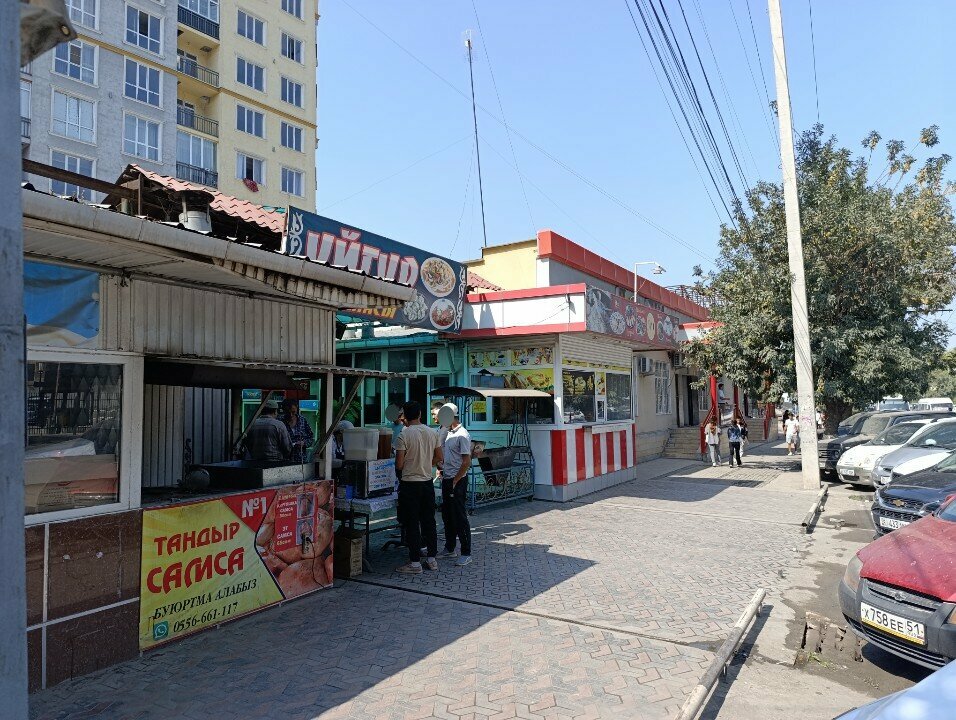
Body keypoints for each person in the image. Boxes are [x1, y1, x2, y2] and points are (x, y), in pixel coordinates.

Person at [394, 401, 442, 574]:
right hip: (427, 482)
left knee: (412, 522)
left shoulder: (403, 435)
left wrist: (411, 464)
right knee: (429, 521)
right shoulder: (432, 432)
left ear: (405, 416)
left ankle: (415, 563)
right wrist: (426, 464)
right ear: (420, 414)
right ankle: (432, 559)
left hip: (410, 484)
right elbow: (439, 457)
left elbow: (399, 464)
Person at [437, 403, 473, 566]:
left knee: (459, 517)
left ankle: (466, 552)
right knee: (447, 515)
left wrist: (456, 480)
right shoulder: (447, 432)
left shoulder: (462, 434)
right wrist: (441, 470)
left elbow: (466, 462)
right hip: (447, 478)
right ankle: (450, 548)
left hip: (457, 480)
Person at [282, 399, 314, 463]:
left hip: (300, 458)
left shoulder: (302, 420)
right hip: (284, 459)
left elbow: (311, 438)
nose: (291, 415)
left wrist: (304, 443)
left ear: (297, 408)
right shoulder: (280, 421)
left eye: (293, 412)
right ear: (283, 410)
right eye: (288, 412)